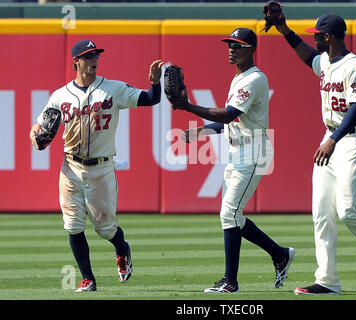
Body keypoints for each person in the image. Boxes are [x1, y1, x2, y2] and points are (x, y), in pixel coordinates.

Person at [272, 13, 356, 294]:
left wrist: (333, 139)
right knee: (322, 213)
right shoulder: (325, 62)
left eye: (317, 34)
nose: (313, 37)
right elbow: (306, 55)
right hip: (332, 137)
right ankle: (327, 281)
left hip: (353, 140)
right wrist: (284, 29)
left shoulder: (355, 66)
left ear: (328, 37)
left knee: (348, 210)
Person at [30, 40, 164, 292]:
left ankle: (122, 249)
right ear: (76, 62)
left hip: (101, 169)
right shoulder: (60, 96)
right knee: (72, 224)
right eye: (87, 56)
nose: (93, 59)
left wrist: (155, 83)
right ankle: (88, 278)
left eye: (95, 55)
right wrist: (34, 135)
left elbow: (150, 99)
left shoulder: (113, 89)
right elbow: (39, 127)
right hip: (70, 167)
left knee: (105, 228)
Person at [172, 28, 295, 293]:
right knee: (234, 216)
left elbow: (228, 114)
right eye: (229, 44)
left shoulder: (253, 79)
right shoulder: (239, 77)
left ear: (251, 49)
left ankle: (230, 282)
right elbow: (233, 121)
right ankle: (279, 254)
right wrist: (203, 130)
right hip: (238, 150)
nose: (231, 48)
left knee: (229, 213)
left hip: (253, 151)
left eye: (237, 45)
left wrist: (188, 106)